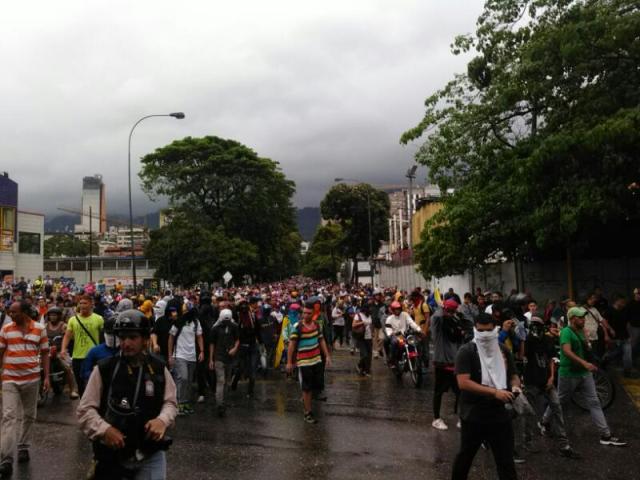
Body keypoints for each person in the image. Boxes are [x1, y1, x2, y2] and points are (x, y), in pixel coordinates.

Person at [77, 310, 177, 479]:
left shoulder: (159, 368)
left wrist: (162, 420)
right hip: (112, 456)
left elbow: (171, 402)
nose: (126, 343)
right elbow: (85, 410)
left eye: (132, 337)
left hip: (150, 454)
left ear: (145, 339)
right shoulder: (104, 369)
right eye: (122, 338)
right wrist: (104, 429)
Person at [452, 312, 520, 480]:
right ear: (475, 329)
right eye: (480, 331)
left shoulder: (503, 350)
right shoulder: (467, 351)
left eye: (488, 331)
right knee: (465, 458)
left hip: (499, 414)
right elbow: (463, 383)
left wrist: (516, 387)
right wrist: (494, 392)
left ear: (494, 330)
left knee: (505, 461)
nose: (484, 335)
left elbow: (513, 374)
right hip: (474, 414)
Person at [547, 306, 627, 447]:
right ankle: (544, 421)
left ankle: (605, 435)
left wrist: (588, 348)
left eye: (584, 317)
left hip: (584, 373)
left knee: (594, 402)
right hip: (569, 374)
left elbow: (584, 349)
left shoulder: (581, 331)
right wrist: (584, 363)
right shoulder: (566, 331)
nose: (583, 319)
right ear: (572, 319)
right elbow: (566, 351)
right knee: (560, 400)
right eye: (580, 317)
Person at [0, 301, 50, 476]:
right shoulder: (6, 329)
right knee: (8, 417)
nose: (11, 315)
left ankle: (23, 446)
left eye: (14, 312)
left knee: (29, 415)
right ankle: (6, 459)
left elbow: (45, 353)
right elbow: (0, 352)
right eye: (9, 312)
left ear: (25, 312)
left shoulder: (39, 328)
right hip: (9, 379)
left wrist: (47, 378)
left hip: (32, 379)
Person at [286, 302, 332, 424]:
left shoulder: (317, 325)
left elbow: (321, 340)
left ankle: (308, 405)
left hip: (316, 360)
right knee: (307, 388)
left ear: (313, 313)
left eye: (308, 313)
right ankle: (307, 412)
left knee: (315, 386)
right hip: (304, 362)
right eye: (304, 313)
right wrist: (289, 362)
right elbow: (291, 345)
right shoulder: (298, 327)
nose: (305, 315)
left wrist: (327, 356)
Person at [431, 299, 464, 431]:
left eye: (453, 311)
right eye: (448, 311)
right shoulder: (438, 323)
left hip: (456, 363)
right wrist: (442, 308)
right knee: (439, 392)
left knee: (460, 392)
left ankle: (462, 417)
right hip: (442, 363)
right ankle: (436, 418)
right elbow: (437, 316)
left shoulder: (454, 322)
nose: (451, 313)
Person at [61, 295, 104, 396]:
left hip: (94, 357)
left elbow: (103, 338)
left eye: (85, 303)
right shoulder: (73, 320)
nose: (82, 305)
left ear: (91, 304)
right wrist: (63, 349)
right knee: (80, 385)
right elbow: (67, 336)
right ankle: (83, 406)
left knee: (94, 384)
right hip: (77, 357)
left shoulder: (99, 319)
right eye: (80, 303)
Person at [168, 307, 204, 415]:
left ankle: (185, 404)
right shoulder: (178, 322)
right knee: (182, 378)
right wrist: (170, 355)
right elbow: (171, 338)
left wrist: (202, 351)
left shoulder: (196, 323)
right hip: (180, 355)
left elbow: (199, 337)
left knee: (188, 381)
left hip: (192, 356)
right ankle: (178, 403)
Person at [208, 308, 239, 417]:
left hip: (230, 358)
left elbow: (237, 339)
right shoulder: (215, 329)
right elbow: (212, 344)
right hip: (219, 357)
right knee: (221, 380)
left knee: (228, 381)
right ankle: (219, 404)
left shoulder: (234, 326)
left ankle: (223, 402)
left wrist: (235, 348)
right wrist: (211, 359)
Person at [45, 306, 78, 399]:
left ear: (59, 316)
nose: (53, 317)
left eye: (55, 315)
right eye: (51, 315)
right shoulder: (45, 326)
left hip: (60, 351)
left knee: (67, 368)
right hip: (47, 351)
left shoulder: (63, 326)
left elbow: (68, 336)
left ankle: (72, 390)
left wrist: (62, 347)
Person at [352, 302, 373, 376]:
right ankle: (359, 365)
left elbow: (370, 325)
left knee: (369, 355)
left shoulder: (370, 316)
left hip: (369, 337)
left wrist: (372, 334)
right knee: (364, 355)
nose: (369, 310)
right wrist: (362, 323)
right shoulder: (358, 315)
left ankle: (366, 370)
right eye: (368, 308)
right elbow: (353, 325)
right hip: (361, 338)